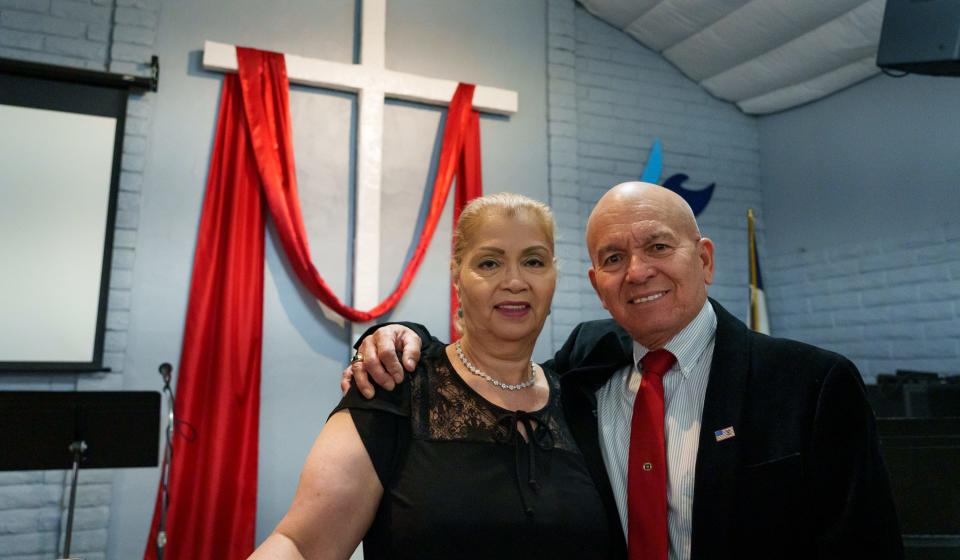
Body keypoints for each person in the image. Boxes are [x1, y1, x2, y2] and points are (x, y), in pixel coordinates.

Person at [346, 182, 904, 560]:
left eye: (658, 246)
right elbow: (492, 374)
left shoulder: (810, 384)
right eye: (613, 258)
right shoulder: (582, 372)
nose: (637, 272)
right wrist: (402, 337)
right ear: (596, 285)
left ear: (704, 259)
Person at [249, 193, 624, 560]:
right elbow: (301, 545)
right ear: (457, 276)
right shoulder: (395, 387)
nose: (515, 281)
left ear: (554, 275)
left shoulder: (582, 401)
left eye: (534, 262)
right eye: (490, 263)